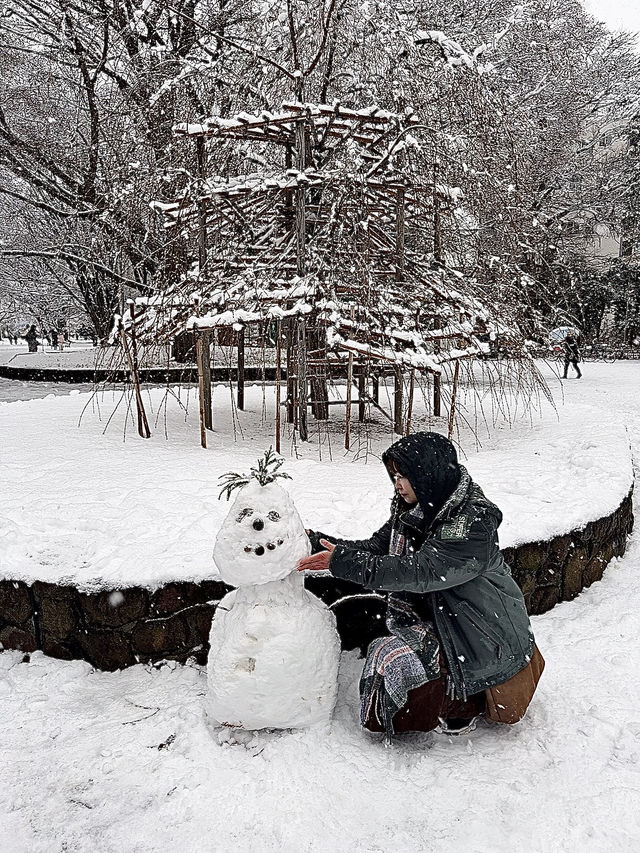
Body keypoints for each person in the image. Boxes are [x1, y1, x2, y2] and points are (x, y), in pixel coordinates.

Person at [299, 432, 542, 738]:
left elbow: (421, 571)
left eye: (405, 476)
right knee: (388, 651)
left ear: (427, 474)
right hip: (443, 619)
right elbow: (377, 548)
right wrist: (319, 544)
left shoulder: (472, 522)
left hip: (481, 638)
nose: (397, 484)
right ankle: (448, 692)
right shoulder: (417, 507)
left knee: (395, 662)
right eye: (395, 476)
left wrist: (341, 562)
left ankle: (466, 701)